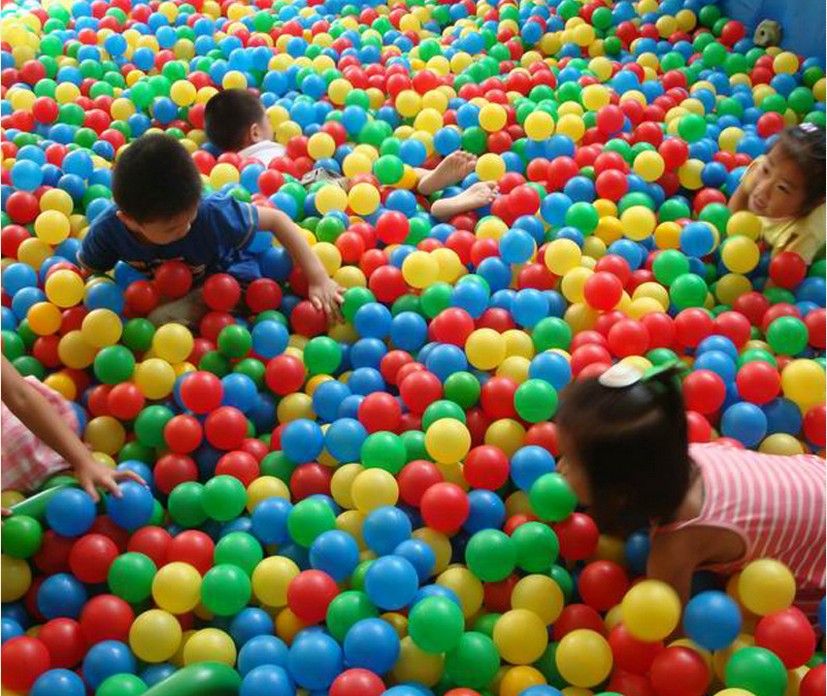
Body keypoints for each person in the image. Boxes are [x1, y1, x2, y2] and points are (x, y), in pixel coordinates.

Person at [555, 362, 825, 616]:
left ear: (618, 487)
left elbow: (673, 633)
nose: (560, 467)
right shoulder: (685, 454)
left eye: (570, 461)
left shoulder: (675, 544)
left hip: (815, 564)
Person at [78, 133, 343, 326]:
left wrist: (317, 277)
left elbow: (276, 220)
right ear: (130, 221)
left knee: (162, 318)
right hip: (159, 289)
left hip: (226, 277)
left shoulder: (211, 213)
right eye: (172, 229)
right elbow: (89, 272)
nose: (186, 228)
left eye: (189, 217)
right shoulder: (108, 230)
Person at [203, 88, 498, 221]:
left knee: (362, 190)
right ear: (255, 133)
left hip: (288, 206)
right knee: (375, 171)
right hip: (309, 185)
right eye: (269, 123)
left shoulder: (227, 169)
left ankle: (428, 188)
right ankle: (428, 187)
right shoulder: (271, 153)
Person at [1, 356, 144, 514]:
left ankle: (59, 461)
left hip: (19, 432)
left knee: (20, 435)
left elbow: (21, 397)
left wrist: (84, 462)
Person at [728, 123, 825, 263]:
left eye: (782, 188)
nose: (762, 189)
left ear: (810, 204)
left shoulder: (803, 232)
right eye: (766, 170)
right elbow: (734, 213)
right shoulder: (761, 169)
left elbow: (779, 280)